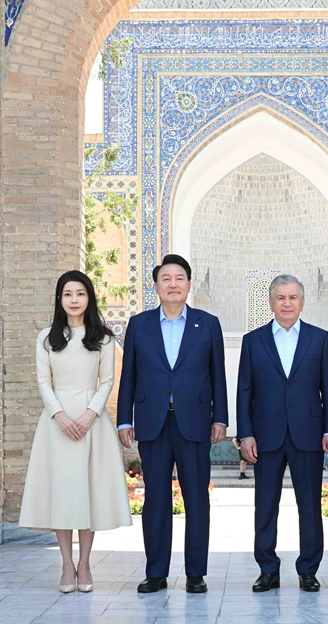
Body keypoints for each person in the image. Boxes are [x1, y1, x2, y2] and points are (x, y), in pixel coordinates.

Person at [116, 254, 228, 594]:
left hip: (194, 422)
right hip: (153, 423)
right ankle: (156, 572)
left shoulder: (207, 324)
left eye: (180, 278)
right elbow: (129, 376)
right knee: (156, 501)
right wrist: (124, 419)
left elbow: (218, 375)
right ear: (156, 285)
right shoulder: (139, 324)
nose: (173, 284)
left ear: (189, 284)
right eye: (166, 278)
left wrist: (220, 417)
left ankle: (196, 573)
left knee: (197, 499)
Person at [18, 270, 132, 593]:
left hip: (92, 422)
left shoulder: (105, 338)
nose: (74, 300)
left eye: (80, 294)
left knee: (88, 493)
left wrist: (88, 415)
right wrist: (59, 415)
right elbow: (43, 381)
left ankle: (85, 565)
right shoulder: (45, 338)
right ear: (59, 299)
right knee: (63, 494)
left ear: (89, 298)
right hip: (56, 423)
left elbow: (107, 381)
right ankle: (66, 565)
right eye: (68, 294)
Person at [237, 275, 328, 593]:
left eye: (292, 297)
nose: (286, 303)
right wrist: (245, 434)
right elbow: (244, 391)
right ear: (270, 302)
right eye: (280, 297)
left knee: (309, 505)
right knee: (265, 505)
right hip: (265, 435)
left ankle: (308, 569)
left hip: (308, 434)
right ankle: (267, 568)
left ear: (302, 302)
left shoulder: (318, 338)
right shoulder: (252, 341)